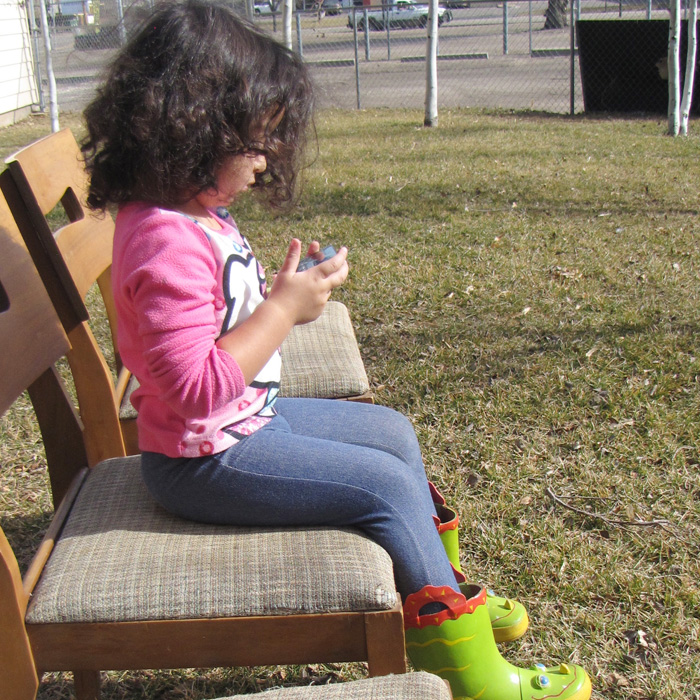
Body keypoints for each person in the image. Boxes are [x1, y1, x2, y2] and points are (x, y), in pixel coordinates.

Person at [80, 2, 591, 698]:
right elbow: (194, 388)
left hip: (243, 424)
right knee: (384, 486)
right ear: (194, 130)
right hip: (203, 462)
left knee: (392, 434)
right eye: (254, 143)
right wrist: (284, 310)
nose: (264, 161)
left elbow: (214, 318)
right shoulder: (162, 239)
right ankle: (466, 670)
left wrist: (287, 291)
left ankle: (437, 584)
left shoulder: (195, 213)